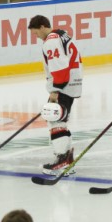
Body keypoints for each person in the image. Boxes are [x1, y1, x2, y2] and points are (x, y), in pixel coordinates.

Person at [29, 14, 82, 174]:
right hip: (71, 82)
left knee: (55, 120)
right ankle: (66, 159)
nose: (36, 37)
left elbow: (60, 67)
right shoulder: (61, 34)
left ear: (43, 26)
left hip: (63, 85)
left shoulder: (51, 41)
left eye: (36, 32)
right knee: (60, 120)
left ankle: (62, 159)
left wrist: (55, 90)